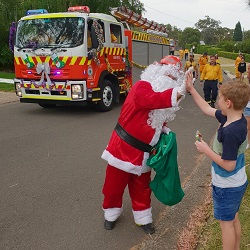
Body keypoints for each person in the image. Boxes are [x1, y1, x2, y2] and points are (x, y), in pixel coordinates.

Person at [101, 55, 186, 234]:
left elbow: (156, 120)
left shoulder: (163, 99)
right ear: (158, 71)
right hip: (122, 149)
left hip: (145, 153)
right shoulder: (142, 87)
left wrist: (164, 131)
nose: (170, 81)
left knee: (142, 187)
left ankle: (143, 217)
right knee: (113, 186)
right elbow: (149, 100)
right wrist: (178, 92)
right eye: (168, 76)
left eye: (173, 79)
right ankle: (111, 213)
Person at [186, 76, 249, 250]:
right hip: (238, 182)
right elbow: (207, 108)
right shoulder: (236, 118)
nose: (217, 101)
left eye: (220, 98)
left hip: (227, 186)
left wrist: (206, 150)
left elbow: (229, 165)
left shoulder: (230, 132)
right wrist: (191, 90)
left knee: (225, 224)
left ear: (228, 103)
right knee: (233, 218)